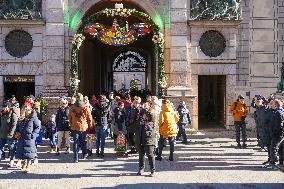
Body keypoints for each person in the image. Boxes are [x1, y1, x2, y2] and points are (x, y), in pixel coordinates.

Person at [15, 101, 41, 173]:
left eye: (28, 109)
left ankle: (28, 166)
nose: (27, 111)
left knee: (29, 152)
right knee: (22, 151)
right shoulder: (21, 118)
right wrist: (17, 132)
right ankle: (24, 163)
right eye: (25, 109)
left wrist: (34, 135)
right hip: (22, 137)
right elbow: (17, 126)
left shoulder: (34, 117)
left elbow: (38, 127)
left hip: (30, 137)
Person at [68, 94, 93, 163]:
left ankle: (76, 158)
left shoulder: (72, 107)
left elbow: (69, 117)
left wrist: (71, 125)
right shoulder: (85, 107)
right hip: (83, 128)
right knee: (83, 142)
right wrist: (90, 125)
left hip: (74, 127)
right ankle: (84, 153)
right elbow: (89, 117)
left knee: (75, 142)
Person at [136, 102, 157, 177]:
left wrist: (147, 114)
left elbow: (152, 124)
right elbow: (136, 123)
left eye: (146, 106)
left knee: (150, 154)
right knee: (141, 154)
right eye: (143, 106)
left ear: (150, 106)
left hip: (149, 137)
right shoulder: (140, 114)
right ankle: (141, 169)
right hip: (140, 136)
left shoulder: (152, 113)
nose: (144, 107)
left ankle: (152, 170)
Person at [0, 101, 18, 167]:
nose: (4, 108)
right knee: (0, 148)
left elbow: (14, 125)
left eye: (5, 107)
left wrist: (11, 134)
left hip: (10, 135)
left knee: (11, 148)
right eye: (3, 107)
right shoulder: (2, 114)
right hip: (2, 135)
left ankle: (12, 160)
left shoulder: (13, 114)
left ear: (9, 107)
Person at [267, 99, 284, 168]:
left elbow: (279, 125)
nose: (271, 104)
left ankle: (274, 163)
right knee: (281, 149)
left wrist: (274, 132)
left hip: (278, 134)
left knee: (273, 148)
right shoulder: (281, 111)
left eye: (272, 103)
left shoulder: (278, 112)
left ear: (275, 105)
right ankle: (281, 163)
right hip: (281, 134)